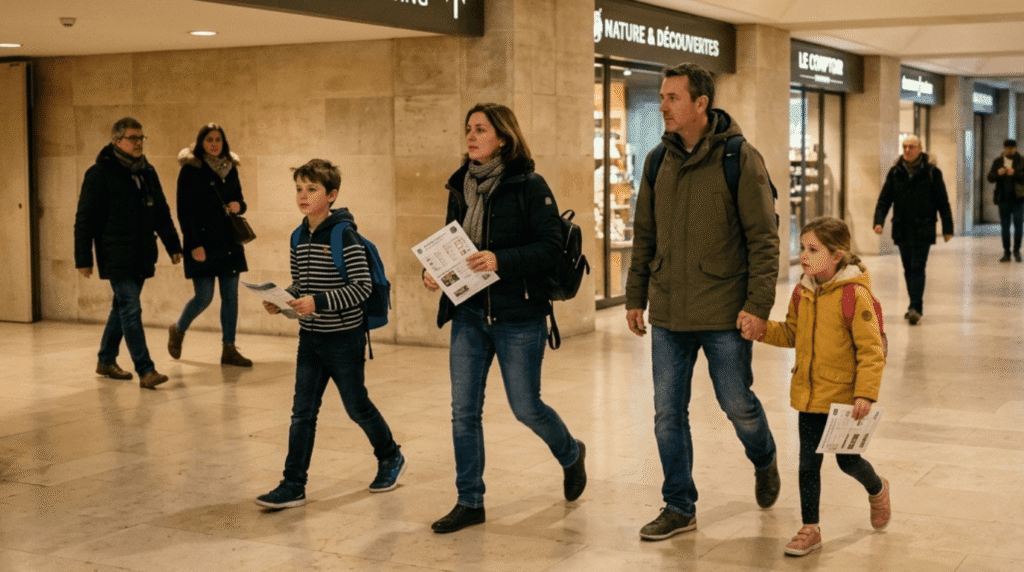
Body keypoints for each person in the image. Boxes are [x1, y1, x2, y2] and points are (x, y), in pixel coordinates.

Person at [625, 63, 781, 541]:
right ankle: (678, 505)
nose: (663, 105)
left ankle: (765, 457)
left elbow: (764, 240)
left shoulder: (739, 158)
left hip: (724, 311)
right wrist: (635, 295)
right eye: (662, 96)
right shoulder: (657, 161)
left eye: (673, 97)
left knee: (738, 404)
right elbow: (645, 234)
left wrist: (757, 304)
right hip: (670, 310)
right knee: (667, 412)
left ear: (700, 104)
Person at [422, 103, 587, 534]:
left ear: (503, 137)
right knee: (463, 411)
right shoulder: (461, 184)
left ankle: (571, 453)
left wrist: (502, 259)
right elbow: (452, 242)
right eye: (468, 129)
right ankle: (469, 500)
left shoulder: (530, 185)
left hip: (518, 315)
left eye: (480, 129)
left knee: (526, 407)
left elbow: (551, 247)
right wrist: (436, 273)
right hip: (469, 313)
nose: (471, 136)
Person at [255, 159, 405, 509]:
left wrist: (317, 301)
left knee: (357, 407)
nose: (303, 195)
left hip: (344, 338)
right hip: (310, 339)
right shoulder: (297, 235)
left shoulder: (343, 235)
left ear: (332, 195)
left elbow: (362, 288)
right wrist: (283, 300)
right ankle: (293, 484)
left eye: (312, 189)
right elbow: (302, 286)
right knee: (302, 412)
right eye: (299, 189)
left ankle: (391, 456)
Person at [749, 216, 890, 556]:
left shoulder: (855, 296)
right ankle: (810, 528)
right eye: (802, 248)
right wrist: (762, 330)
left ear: (837, 255)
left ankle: (877, 488)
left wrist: (865, 393)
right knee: (807, 465)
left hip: (843, 400)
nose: (805, 256)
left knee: (847, 462)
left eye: (814, 250)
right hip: (809, 396)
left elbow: (871, 351)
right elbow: (792, 333)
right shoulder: (802, 292)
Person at [74, 117, 183, 390]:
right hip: (116, 254)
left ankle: (106, 359)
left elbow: (161, 211)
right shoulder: (99, 173)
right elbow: (85, 219)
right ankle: (146, 370)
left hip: (142, 252)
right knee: (131, 310)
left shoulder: (147, 171)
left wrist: (173, 245)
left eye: (141, 137)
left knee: (121, 308)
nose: (138, 143)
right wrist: (83, 259)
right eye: (132, 138)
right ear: (117, 140)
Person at [168, 124, 252, 366]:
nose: (214, 143)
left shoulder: (231, 168)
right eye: (209, 139)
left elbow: (240, 201)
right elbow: (185, 212)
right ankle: (178, 328)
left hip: (229, 241)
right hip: (202, 241)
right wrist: (194, 244)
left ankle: (229, 348)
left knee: (231, 297)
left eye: (218, 139)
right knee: (204, 297)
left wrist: (239, 206)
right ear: (201, 142)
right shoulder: (191, 170)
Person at [872, 135, 953, 325]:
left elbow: (943, 202)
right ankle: (913, 303)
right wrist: (879, 221)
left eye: (912, 146)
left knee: (918, 266)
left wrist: (948, 228)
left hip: (924, 226)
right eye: (905, 146)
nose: (907, 150)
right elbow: (884, 199)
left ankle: (916, 307)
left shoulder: (932, 172)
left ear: (920, 149)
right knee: (908, 267)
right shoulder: (895, 172)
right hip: (901, 227)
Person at [987, 139, 1024, 262]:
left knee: (1019, 226)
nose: (1010, 150)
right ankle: (1006, 253)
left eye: (1012, 148)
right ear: (1004, 148)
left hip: (1018, 199)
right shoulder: (998, 162)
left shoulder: (1021, 161)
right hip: (1003, 199)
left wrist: (1015, 173)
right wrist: (998, 173)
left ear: (1015, 148)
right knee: (1004, 227)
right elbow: (990, 178)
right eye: (1007, 148)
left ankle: (1017, 251)